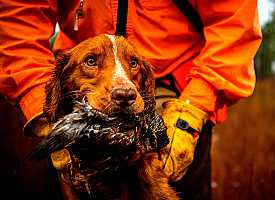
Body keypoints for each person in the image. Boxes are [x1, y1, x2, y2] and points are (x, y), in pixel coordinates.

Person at [0, 0, 261, 199]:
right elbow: (18, 22)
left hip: (179, 84)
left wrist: (195, 107)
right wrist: (44, 113)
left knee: (166, 171)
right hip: (78, 83)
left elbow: (234, 22)